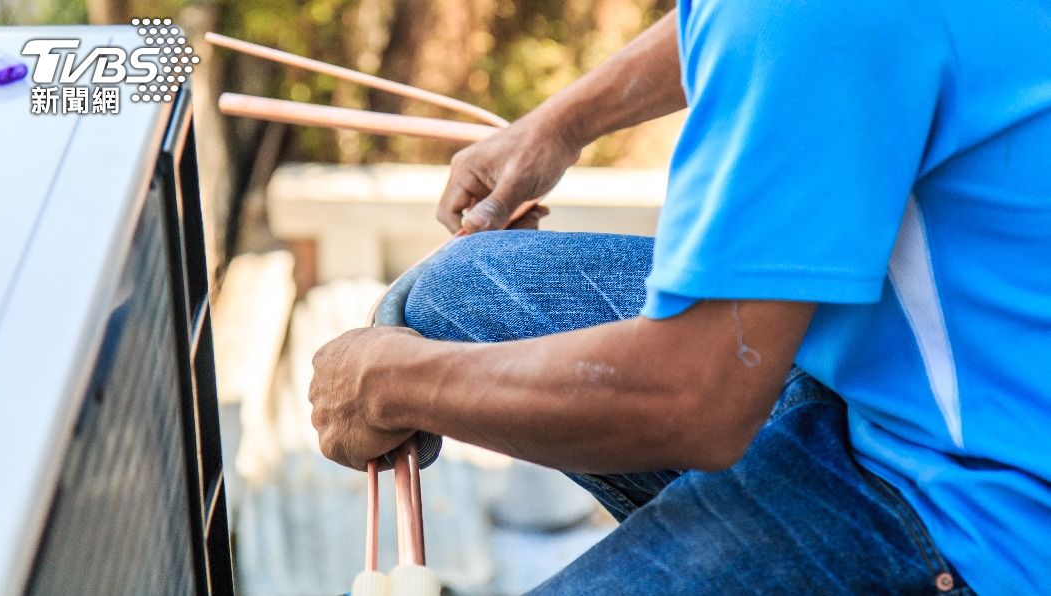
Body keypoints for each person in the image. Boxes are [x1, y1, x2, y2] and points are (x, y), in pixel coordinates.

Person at [308, 1, 1051, 593]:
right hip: (919, 374)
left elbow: (691, 401)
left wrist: (385, 383)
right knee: (464, 289)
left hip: (981, 512)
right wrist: (560, 126)